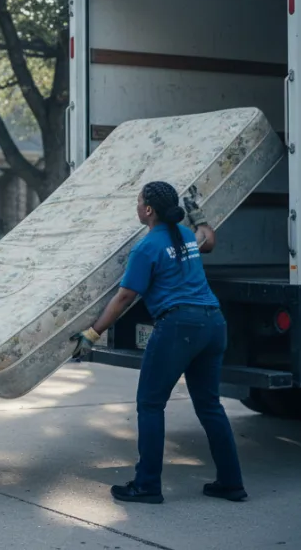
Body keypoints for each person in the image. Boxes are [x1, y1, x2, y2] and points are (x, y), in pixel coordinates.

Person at [70, 181, 245, 504]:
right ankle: (231, 483)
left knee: (151, 405)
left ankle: (147, 484)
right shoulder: (187, 236)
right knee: (209, 405)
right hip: (213, 323)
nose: (136, 207)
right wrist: (198, 214)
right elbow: (209, 239)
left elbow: (124, 297)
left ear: (148, 210)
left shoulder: (147, 247)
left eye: (138, 203)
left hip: (179, 326)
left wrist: (92, 333)